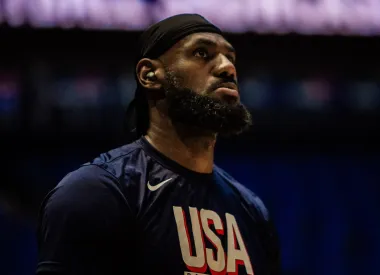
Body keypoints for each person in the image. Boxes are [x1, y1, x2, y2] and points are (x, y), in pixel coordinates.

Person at [36, 14, 281, 275]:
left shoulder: (252, 211)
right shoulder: (96, 193)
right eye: (202, 53)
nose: (227, 67)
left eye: (230, 58)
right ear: (149, 74)